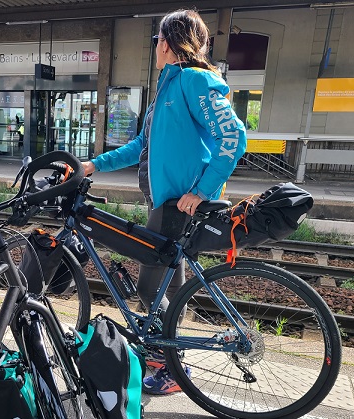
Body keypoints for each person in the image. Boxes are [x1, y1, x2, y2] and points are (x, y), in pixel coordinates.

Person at [82, 8, 247, 396]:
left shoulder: (193, 80)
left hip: (180, 205)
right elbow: (142, 146)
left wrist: (202, 191)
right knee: (171, 285)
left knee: (148, 287)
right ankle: (171, 358)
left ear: (170, 44)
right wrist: (93, 165)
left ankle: (171, 365)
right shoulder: (166, 87)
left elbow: (233, 138)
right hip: (168, 202)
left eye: (157, 39)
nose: (154, 45)